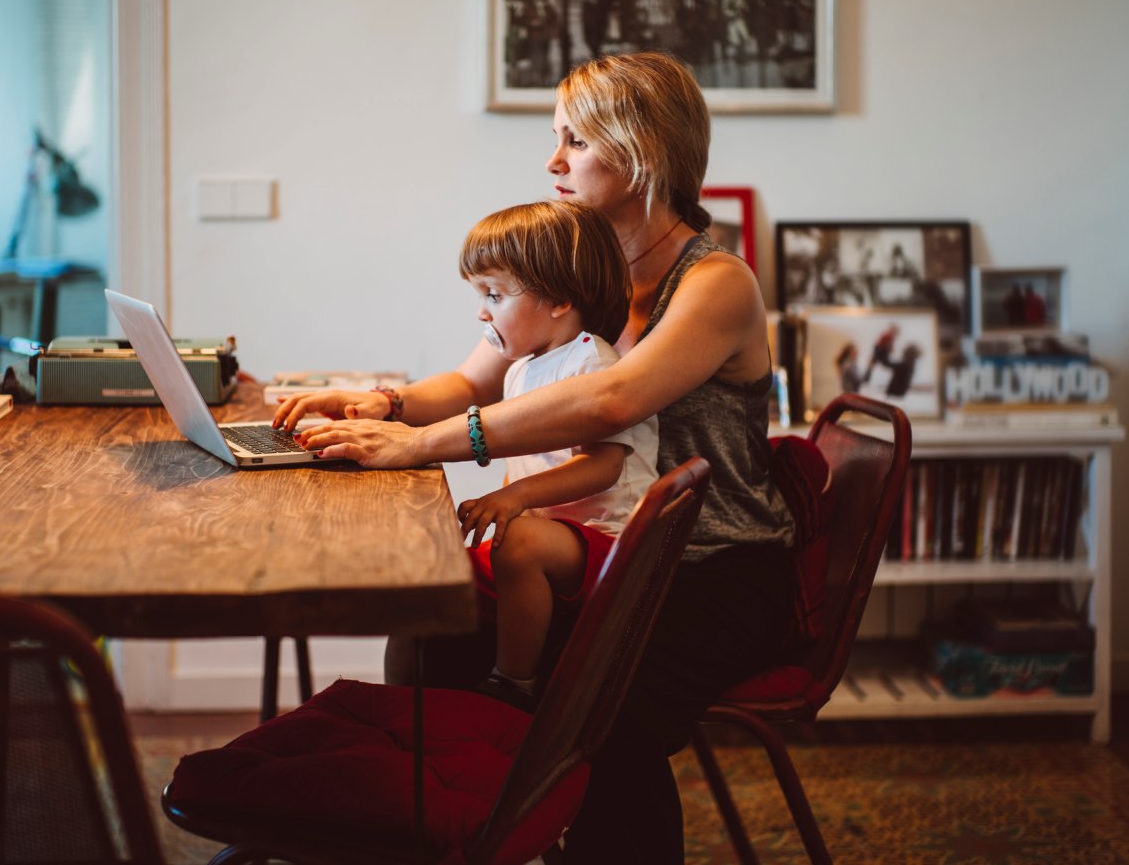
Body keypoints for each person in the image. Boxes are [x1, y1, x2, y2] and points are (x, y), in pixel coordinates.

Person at [273, 51, 798, 864]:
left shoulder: (717, 282)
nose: (553, 161)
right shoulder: (580, 266)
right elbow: (477, 379)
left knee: (593, 717)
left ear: (643, 150)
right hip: (611, 551)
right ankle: (451, 841)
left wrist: (417, 446)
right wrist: (379, 403)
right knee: (442, 640)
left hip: (714, 568)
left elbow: (612, 401)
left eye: (576, 141)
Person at [455, 201, 659, 710]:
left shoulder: (592, 362)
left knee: (516, 541)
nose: (482, 311)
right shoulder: (522, 368)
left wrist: (515, 499)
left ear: (559, 299)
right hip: (562, 533)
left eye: (495, 294)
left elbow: (603, 464)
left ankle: (515, 682)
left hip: (612, 543)